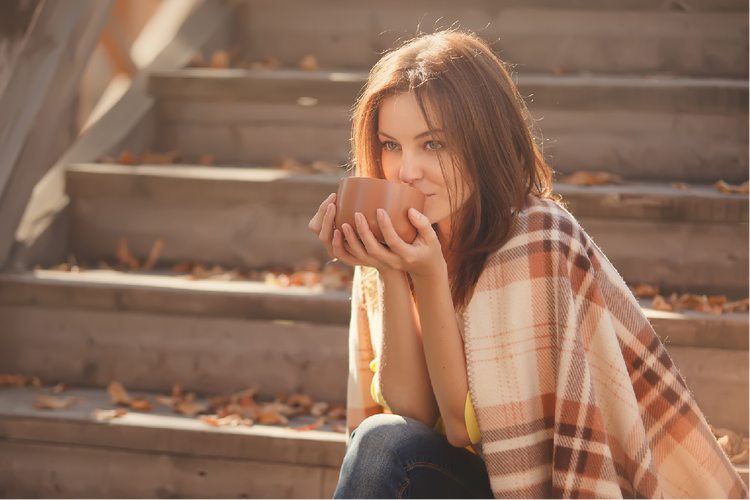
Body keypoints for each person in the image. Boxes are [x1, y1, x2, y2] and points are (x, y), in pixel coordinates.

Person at [308, 30, 747, 500]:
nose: (406, 170)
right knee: (382, 442)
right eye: (391, 145)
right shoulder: (393, 230)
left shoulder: (536, 238)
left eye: (432, 144)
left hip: (532, 485)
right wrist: (390, 269)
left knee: (381, 446)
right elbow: (411, 414)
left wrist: (429, 274)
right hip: (453, 479)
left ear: (484, 141)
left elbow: (462, 428)